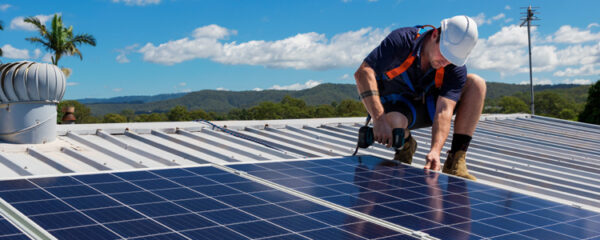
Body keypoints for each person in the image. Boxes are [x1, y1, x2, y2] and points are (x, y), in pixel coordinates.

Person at [354, 15, 485, 180]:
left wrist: (435, 151)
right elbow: (363, 72)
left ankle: (456, 161)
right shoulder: (402, 40)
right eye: (443, 54)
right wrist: (378, 119)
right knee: (394, 123)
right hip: (397, 105)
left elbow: (444, 110)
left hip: (429, 107)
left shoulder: (454, 68)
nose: (445, 62)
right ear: (435, 35)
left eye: (451, 60)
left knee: (476, 84)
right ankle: (406, 145)